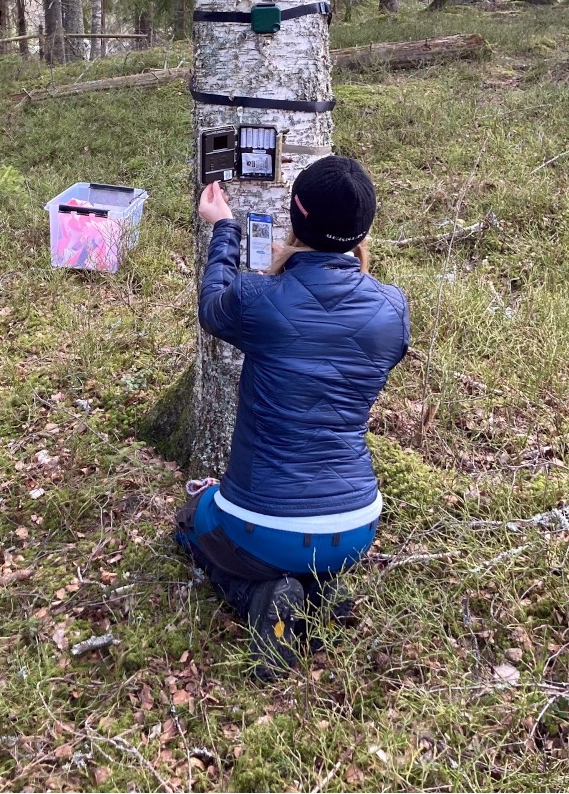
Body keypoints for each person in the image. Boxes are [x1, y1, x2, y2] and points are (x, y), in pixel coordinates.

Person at [175, 156, 409, 680]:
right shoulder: (392, 310)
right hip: (355, 526)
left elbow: (213, 304)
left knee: (194, 518)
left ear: (294, 220)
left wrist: (224, 228)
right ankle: (323, 587)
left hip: (263, 523)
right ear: (363, 229)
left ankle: (260, 596)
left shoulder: (259, 299)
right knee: (298, 545)